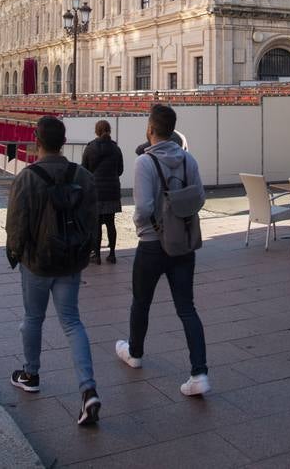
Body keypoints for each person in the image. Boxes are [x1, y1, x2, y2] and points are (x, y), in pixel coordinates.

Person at [4, 116, 102, 427]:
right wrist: (84, 250)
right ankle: (88, 390)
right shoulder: (83, 176)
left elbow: (15, 224)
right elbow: (92, 219)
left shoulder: (27, 177)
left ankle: (31, 373)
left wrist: (15, 253)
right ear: (63, 141)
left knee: (33, 318)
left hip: (37, 260)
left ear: (37, 141)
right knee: (72, 322)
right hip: (70, 260)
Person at [115, 103, 210, 397]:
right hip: (182, 244)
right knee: (187, 308)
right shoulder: (188, 160)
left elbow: (142, 208)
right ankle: (199, 373)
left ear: (151, 129)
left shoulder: (144, 162)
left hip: (152, 246)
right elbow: (200, 197)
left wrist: (142, 224)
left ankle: (135, 352)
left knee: (141, 302)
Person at [81, 119, 123, 264]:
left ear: (96, 131)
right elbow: (120, 170)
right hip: (112, 190)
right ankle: (112, 254)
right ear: (109, 130)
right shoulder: (115, 148)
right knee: (111, 223)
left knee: (96, 224)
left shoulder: (90, 148)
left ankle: (97, 255)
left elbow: (84, 170)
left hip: (96, 191)